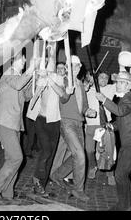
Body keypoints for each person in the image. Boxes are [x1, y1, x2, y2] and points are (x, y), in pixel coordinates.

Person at [95, 71, 131, 211]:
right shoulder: (125, 98)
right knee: (122, 174)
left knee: (120, 175)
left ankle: (123, 206)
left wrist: (104, 100)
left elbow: (120, 111)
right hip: (130, 144)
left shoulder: (130, 98)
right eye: (118, 81)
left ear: (129, 85)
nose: (119, 84)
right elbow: (122, 120)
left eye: (123, 82)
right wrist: (112, 125)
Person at [50, 55, 96, 202]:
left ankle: (56, 175)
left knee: (77, 155)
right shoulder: (62, 81)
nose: (75, 68)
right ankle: (78, 190)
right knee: (80, 156)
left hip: (79, 124)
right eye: (72, 66)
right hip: (67, 123)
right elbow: (63, 98)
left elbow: (84, 107)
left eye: (77, 66)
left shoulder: (81, 84)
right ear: (67, 68)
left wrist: (89, 111)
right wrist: (67, 91)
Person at [0, 52, 34, 200]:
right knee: (17, 157)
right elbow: (18, 84)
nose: (24, 62)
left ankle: (8, 194)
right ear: (13, 61)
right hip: (4, 122)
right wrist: (31, 69)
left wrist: (38, 82)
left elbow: (27, 95)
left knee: (11, 159)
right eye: (22, 59)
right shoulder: (8, 74)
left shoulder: (18, 77)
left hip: (15, 124)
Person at [26, 43, 65, 197]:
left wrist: (50, 79)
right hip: (41, 121)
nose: (51, 64)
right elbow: (33, 100)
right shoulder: (42, 78)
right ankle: (37, 178)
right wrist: (40, 85)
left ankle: (41, 184)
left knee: (51, 154)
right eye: (49, 61)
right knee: (46, 151)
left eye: (52, 62)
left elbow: (62, 93)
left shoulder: (59, 79)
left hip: (55, 122)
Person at [85, 71, 117, 185]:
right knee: (89, 150)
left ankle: (110, 174)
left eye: (106, 78)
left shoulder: (111, 88)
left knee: (107, 151)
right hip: (91, 124)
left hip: (104, 125)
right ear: (96, 79)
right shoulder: (88, 89)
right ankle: (92, 167)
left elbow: (122, 85)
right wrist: (87, 83)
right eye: (101, 77)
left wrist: (116, 77)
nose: (103, 79)